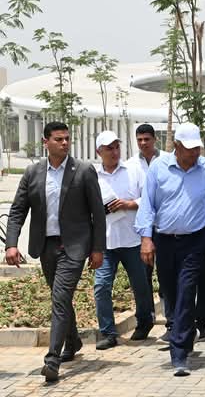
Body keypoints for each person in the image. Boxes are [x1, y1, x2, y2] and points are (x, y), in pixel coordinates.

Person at [5, 122, 106, 383]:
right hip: (46, 246)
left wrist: (97, 249)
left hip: (74, 246)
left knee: (60, 297)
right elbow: (17, 210)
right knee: (60, 298)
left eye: (67, 139)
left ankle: (52, 360)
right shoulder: (33, 172)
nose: (64, 143)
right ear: (45, 142)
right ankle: (73, 341)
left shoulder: (83, 170)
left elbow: (98, 213)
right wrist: (11, 244)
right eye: (58, 139)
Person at [135, 123, 205, 376]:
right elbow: (148, 205)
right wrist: (146, 238)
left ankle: (179, 352)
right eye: (189, 148)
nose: (195, 153)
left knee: (186, 291)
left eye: (198, 148)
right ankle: (184, 330)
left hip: (196, 241)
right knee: (170, 293)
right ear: (176, 146)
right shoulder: (158, 168)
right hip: (164, 240)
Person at [93, 131, 154, 351]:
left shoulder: (133, 170)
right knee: (101, 286)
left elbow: (149, 199)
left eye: (116, 147)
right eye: (109, 148)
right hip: (105, 243)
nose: (114, 152)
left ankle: (145, 322)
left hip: (132, 240)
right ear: (99, 151)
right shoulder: (93, 176)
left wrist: (129, 204)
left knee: (140, 285)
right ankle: (108, 333)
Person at [128, 123, 166, 326]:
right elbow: (131, 194)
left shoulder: (167, 160)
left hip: (165, 226)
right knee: (144, 275)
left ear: (155, 139)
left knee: (166, 274)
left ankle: (170, 316)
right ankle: (147, 317)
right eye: (139, 140)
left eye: (147, 139)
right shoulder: (130, 165)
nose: (143, 143)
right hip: (143, 228)